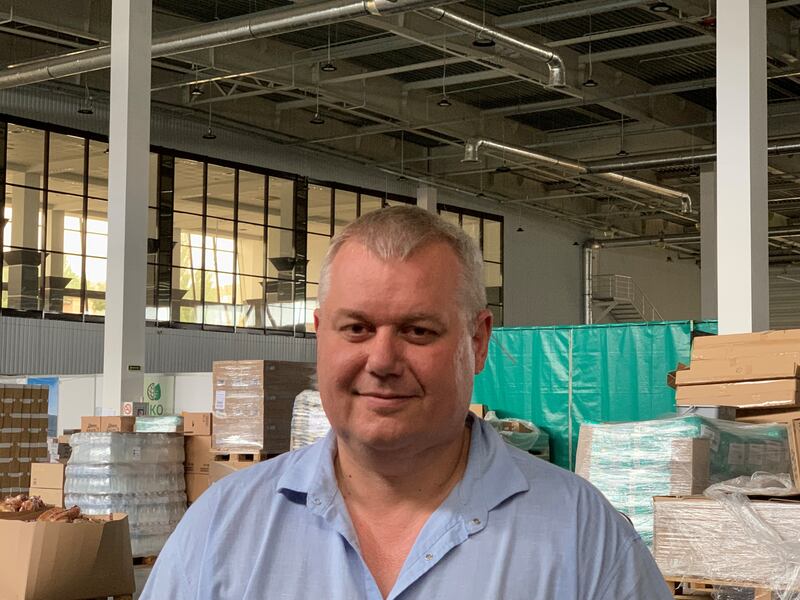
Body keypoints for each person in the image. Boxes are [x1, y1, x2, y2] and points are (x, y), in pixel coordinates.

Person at [142, 205, 672, 599]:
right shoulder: (221, 528)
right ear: (321, 334)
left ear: (478, 342)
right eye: (357, 328)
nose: (382, 360)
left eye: (418, 331)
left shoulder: (584, 538)